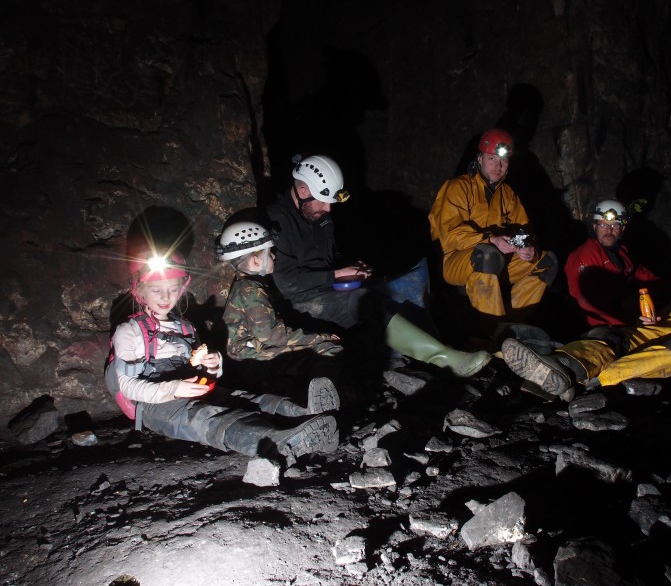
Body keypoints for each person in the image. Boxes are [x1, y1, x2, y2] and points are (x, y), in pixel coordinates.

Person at [265, 154, 492, 378]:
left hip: (327, 291)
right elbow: (286, 283)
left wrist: (350, 268)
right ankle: (444, 360)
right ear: (303, 191)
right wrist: (336, 275)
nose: (328, 208)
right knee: (362, 302)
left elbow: (328, 259)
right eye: (323, 201)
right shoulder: (278, 220)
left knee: (390, 287)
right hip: (301, 301)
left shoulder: (318, 216)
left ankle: (434, 348)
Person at [104, 247, 338, 465]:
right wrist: (172, 389)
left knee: (243, 398)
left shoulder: (184, 328)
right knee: (205, 416)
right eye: (157, 290)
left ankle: (307, 414)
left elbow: (200, 369)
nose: (166, 297)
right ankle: (281, 442)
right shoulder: (130, 332)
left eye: (173, 289)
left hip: (191, 388)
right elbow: (127, 387)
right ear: (140, 290)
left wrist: (214, 364)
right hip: (155, 404)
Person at [501, 220, 671, 401]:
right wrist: (655, 321)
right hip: (668, 338)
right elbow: (666, 320)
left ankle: (597, 380)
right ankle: (561, 366)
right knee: (609, 334)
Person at [429, 128, 557, 328]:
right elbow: (450, 233)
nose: (498, 166)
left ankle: (511, 328)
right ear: (480, 159)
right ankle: (489, 331)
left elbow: (524, 229)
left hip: (499, 258)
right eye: (492, 159)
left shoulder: (508, 194)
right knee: (487, 254)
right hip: (456, 259)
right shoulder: (459, 187)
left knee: (546, 261)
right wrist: (491, 239)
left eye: (503, 161)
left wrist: (526, 246)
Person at [215, 220, 343, 415]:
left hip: (245, 358)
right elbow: (271, 336)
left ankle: (304, 394)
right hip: (249, 362)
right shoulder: (251, 290)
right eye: (270, 252)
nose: (274, 256)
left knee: (308, 348)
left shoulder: (246, 285)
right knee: (328, 349)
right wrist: (319, 338)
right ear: (256, 260)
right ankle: (318, 404)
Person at [564, 199, 662, 328]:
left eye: (615, 225)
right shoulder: (587, 254)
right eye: (603, 225)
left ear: (623, 229)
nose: (609, 231)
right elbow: (588, 304)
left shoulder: (621, 252)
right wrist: (631, 321)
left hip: (626, 319)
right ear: (595, 227)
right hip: (597, 328)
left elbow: (645, 277)